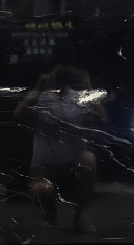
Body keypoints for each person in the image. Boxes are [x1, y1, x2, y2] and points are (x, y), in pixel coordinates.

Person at [15, 65, 105, 232]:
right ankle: (50, 215)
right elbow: (18, 115)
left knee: (88, 159)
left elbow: (102, 121)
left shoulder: (78, 98)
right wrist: (38, 88)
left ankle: (80, 214)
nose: (60, 79)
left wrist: (89, 89)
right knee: (41, 190)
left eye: (64, 75)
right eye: (56, 75)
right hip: (45, 169)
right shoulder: (40, 97)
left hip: (72, 166)